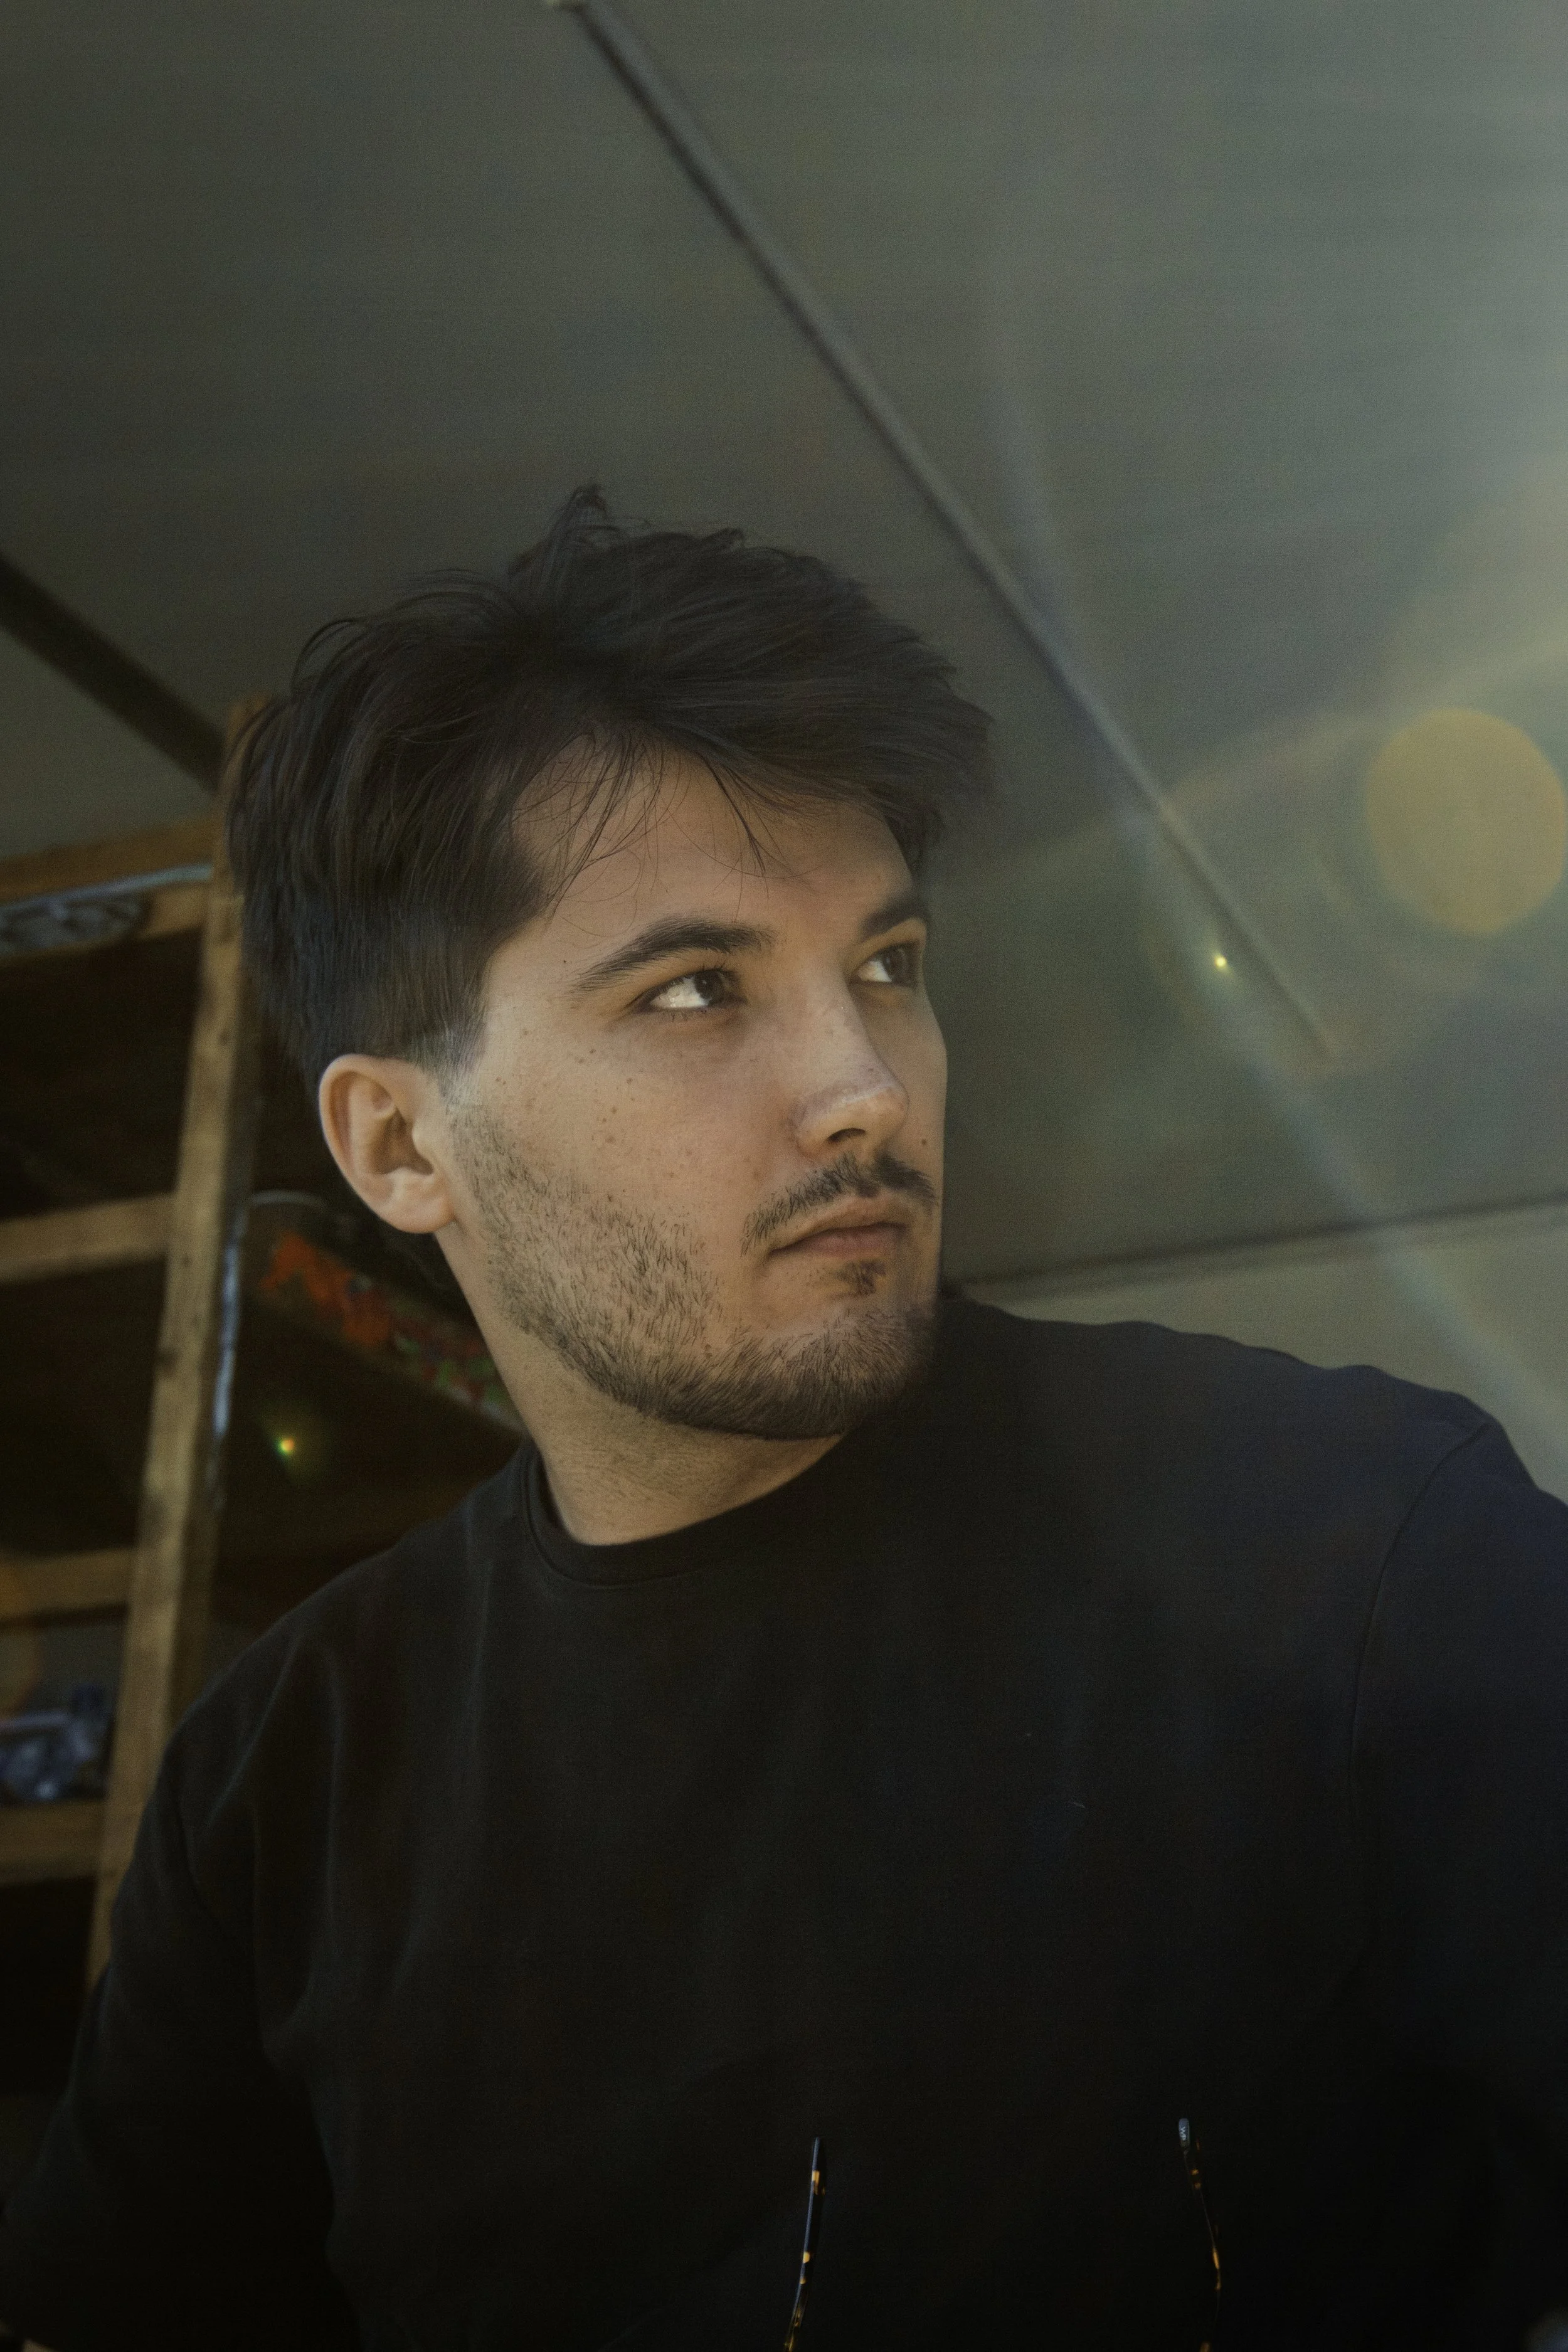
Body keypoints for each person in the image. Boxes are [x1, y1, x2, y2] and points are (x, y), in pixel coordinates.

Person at [3, 490, 1565, 2352]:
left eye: (887, 968)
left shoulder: (1354, 1542)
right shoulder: (291, 1789)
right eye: (694, 989)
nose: (858, 1084)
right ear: (400, 1142)